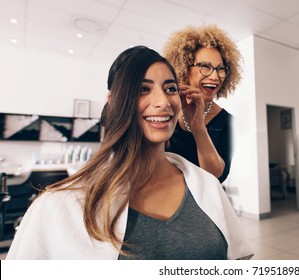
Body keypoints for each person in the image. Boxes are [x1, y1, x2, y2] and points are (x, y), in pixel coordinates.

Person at [6, 46, 253, 260]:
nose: (163, 102)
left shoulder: (207, 186)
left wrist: (198, 126)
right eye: (143, 89)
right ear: (113, 101)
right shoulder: (59, 205)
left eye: (170, 89)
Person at [163, 24, 242, 183]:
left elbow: (217, 176)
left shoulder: (227, 122)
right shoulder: (165, 109)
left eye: (220, 69)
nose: (215, 77)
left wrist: (198, 127)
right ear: (184, 68)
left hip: (205, 203)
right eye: (205, 66)